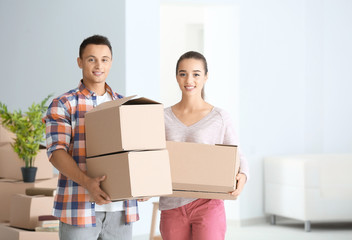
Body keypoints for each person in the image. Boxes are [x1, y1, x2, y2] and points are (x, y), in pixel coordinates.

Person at [43, 35, 139, 240]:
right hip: (79, 209)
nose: (99, 65)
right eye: (91, 59)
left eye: (104, 59)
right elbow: (56, 152)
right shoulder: (63, 103)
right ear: (80, 62)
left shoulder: (126, 104)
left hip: (121, 212)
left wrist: (142, 184)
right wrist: (88, 183)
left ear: (111, 62)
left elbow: (137, 150)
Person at [159, 51, 249, 240]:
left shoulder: (220, 117)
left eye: (196, 74)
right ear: (176, 77)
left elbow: (237, 155)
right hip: (172, 203)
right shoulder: (162, 117)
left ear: (206, 77)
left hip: (208, 203)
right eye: (183, 73)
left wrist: (244, 175)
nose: (189, 79)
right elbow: (152, 157)